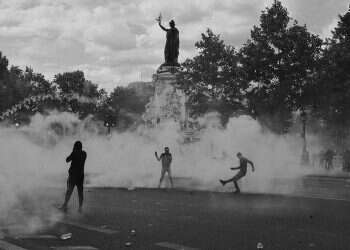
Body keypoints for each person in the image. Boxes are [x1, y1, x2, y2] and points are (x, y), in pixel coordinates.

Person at [60, 141, 87, 213]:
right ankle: (80, 208)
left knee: (69, 191)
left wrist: (73, 152)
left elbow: (67, 160)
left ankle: (65, 205)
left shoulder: (74, 153)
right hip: (80, 176)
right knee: (80, 192)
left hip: (73, 176)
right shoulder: (84, 154)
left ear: (75, 147)